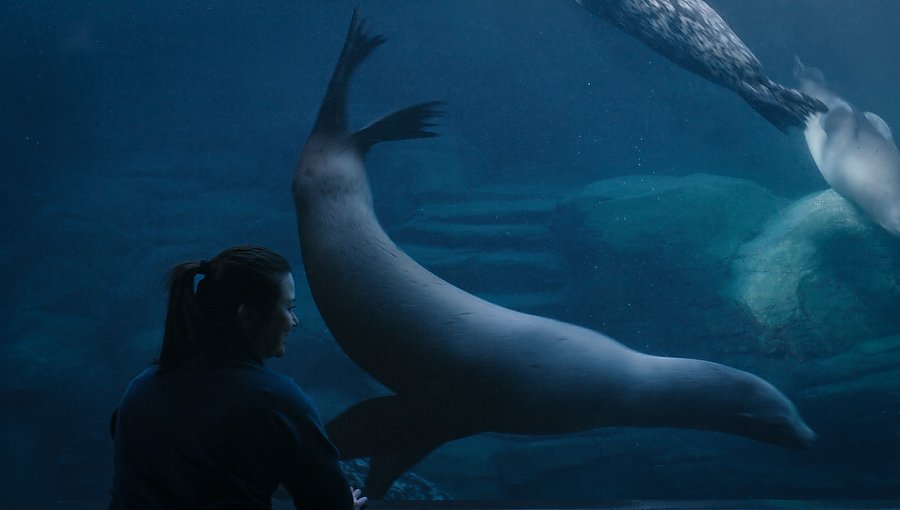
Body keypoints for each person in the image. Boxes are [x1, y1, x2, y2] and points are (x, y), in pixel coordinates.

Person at [108, 245, 367, 509]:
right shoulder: (274, 399)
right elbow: (328, 501)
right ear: (248, 316)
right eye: (288, 307)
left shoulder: (141, 388)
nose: (294, 321)